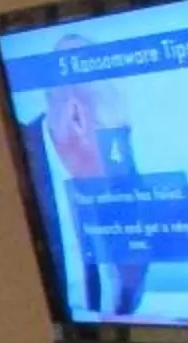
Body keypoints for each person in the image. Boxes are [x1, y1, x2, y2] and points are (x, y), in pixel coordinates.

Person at [20, 42, 148, 316]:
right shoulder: (11, 162)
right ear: (74, 118)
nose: (120, 152)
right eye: (112, 133)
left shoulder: (120, 166)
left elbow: (130, 288)